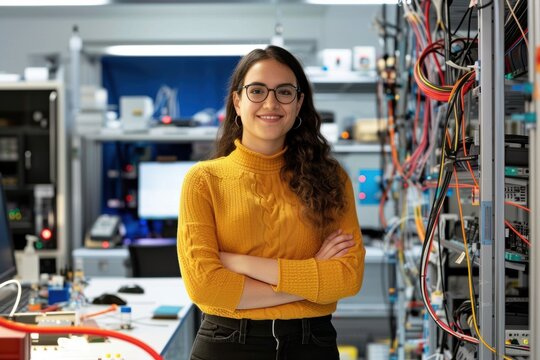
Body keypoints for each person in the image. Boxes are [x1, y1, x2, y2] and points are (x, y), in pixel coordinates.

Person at [177, 45, 365, 360]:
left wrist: (241, 263)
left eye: (284, 92)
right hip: (227, 344)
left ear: (299, 102)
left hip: (311, 345)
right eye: (257, 91)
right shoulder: (204, 180)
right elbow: (206, 287)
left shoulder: (330, 178)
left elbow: (347, 278)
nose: (271, 103)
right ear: (237, 101)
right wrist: (313, 275)